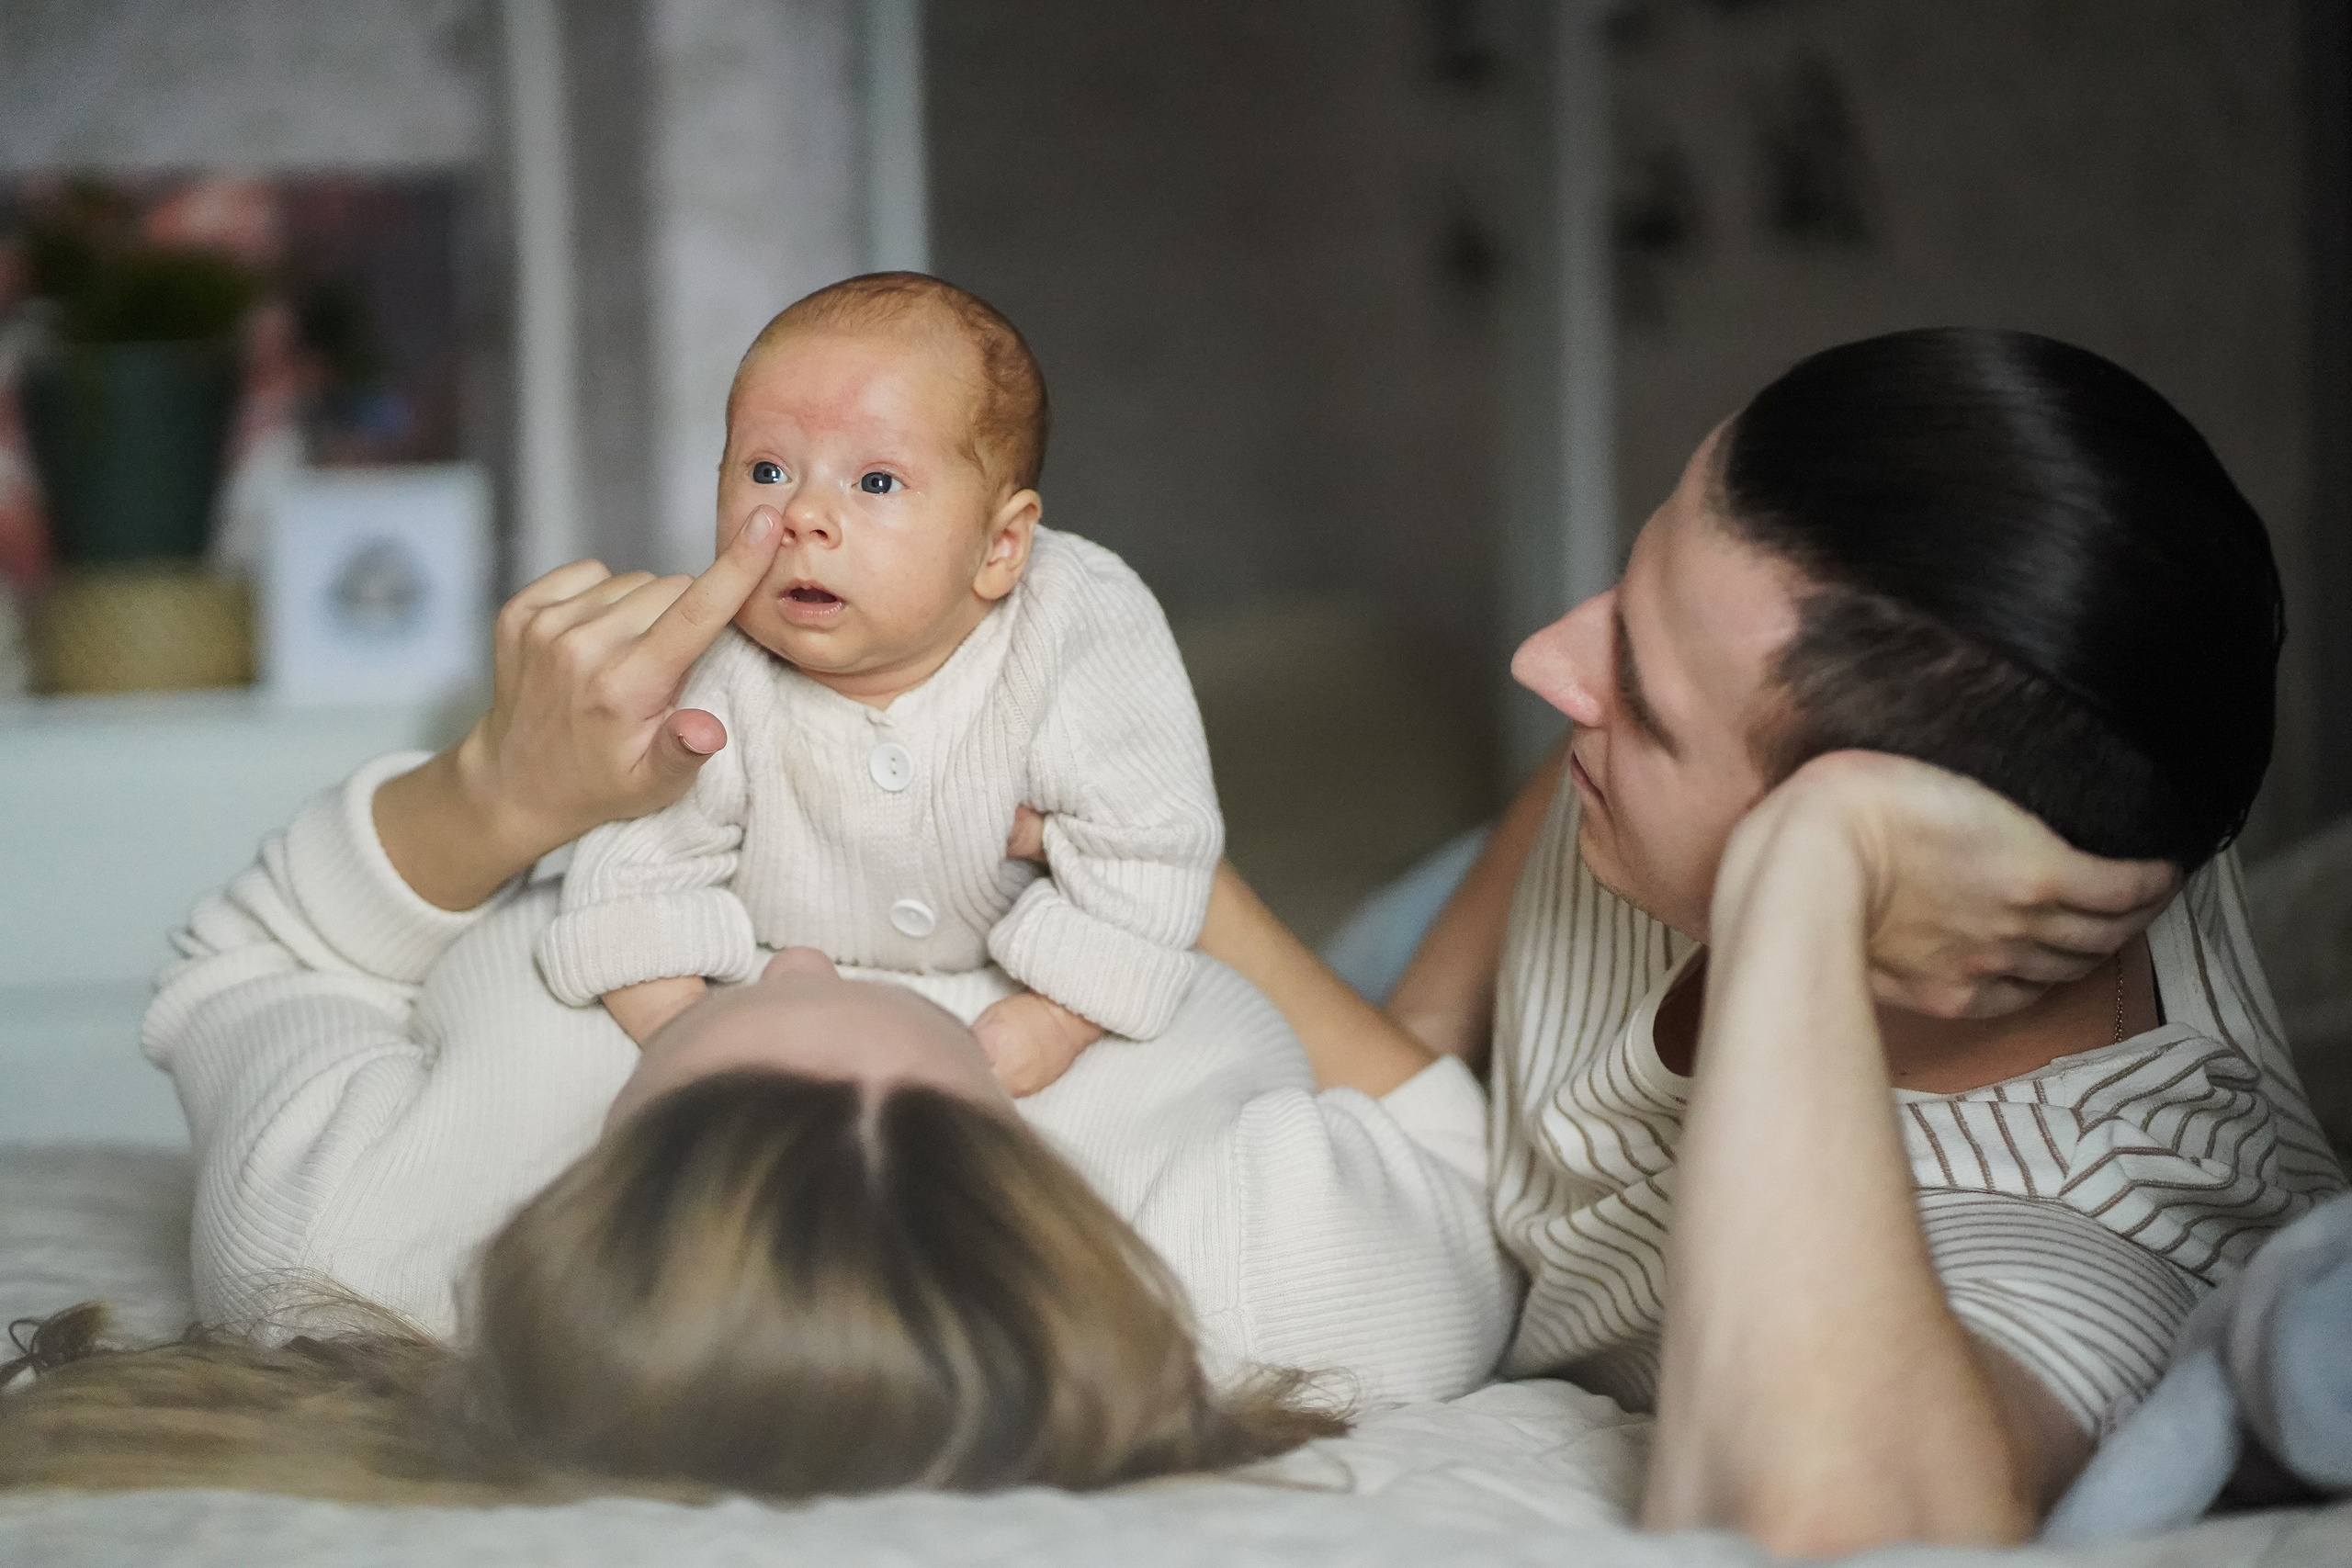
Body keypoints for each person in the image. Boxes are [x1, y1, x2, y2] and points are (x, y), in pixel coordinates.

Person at [0, 505, 1510, 1501]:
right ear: (1038, 1176)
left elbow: (243, 965)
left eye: (718, 1006)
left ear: (588, 1178)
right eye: (917, 1008)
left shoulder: (353, 1244)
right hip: (1331, 952)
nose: (799, 948)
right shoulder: (1251, 1288)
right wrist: (1199, 895)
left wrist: (495, 795)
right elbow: (1453, 1145)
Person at [1338, 328, 2342, 1551]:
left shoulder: (2121, 1220)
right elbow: (1417, 1047)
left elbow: (1824, 1524)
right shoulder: (1641, 748)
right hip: (1404, 965)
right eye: (1630, 586)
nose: (1543, 659)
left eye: (1644, 700)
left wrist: (1807, 868)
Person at [540, 271, 1221, 1096]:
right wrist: (695, 1034)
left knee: (1207, 1058)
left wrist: (1061, 1017)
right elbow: (631, 875)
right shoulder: (713, 661)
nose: (801, 515)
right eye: (765, 470)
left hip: (1023, 981)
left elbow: (1154, 841)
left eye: (875, 482)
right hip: (760, 981)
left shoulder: (1076, 619)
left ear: (1001, 547)